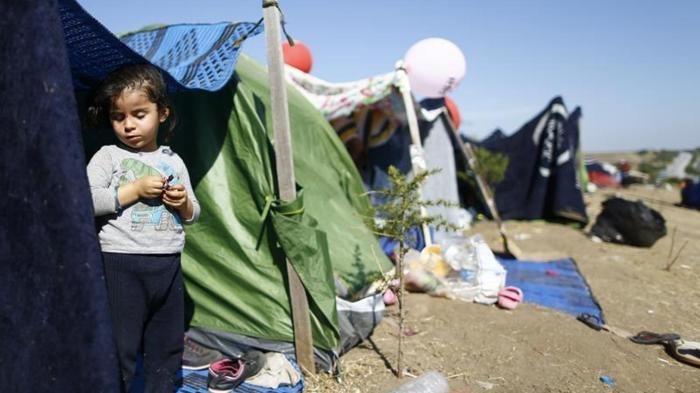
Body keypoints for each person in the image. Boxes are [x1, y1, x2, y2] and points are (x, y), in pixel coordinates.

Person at [86, 64, 200, 392]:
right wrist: (132, 191)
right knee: (119, 347)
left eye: (139, 114)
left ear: (162, 113)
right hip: (121, 264)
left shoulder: (173, 161)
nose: (129, 125)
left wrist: (181, 202)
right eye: (119, 117)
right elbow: (85, 200)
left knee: (166, 346)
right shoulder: (108, 156)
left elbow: (194, 213)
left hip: (167, 266)